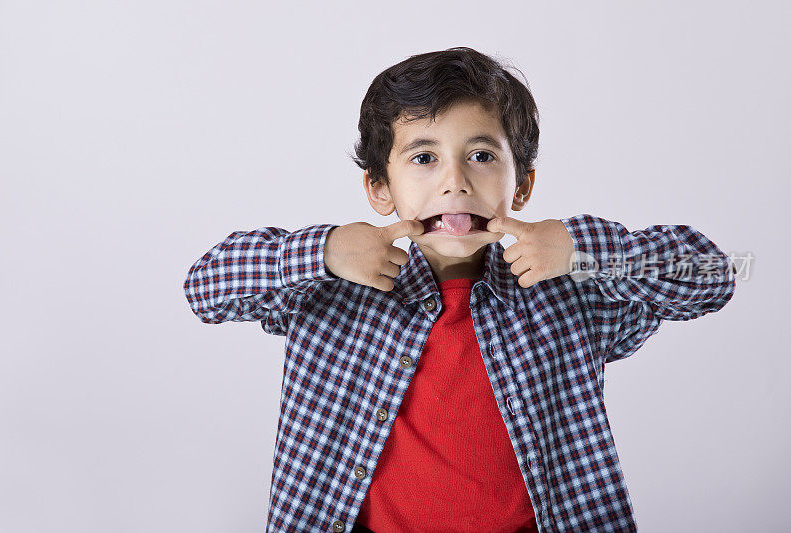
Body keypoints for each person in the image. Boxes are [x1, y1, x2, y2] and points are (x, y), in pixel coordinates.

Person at [183, 47, 736, 533]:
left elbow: (712, 275)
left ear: (522, 185)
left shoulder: (571, 290)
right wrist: (322, 253)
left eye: (482, 155)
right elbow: (205, 287)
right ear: (380, 188)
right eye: (423, 158)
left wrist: (584, 251)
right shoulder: (333, 289)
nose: (455, 181)